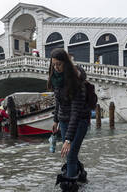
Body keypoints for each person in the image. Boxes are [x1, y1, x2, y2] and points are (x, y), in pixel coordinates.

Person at [47, 48, 90, 191]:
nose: (56, 68)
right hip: (64, 120)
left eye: (58, 64)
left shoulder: (77, 82)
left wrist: (68, 140)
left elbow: (76, 113)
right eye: (53, 65)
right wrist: (56, 120)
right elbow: (58, 101)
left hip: (79, 121)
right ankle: (81, 174)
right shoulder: (56, 79)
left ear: (66, 63)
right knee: (71, 154)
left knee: (70, 154)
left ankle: (70, 187)